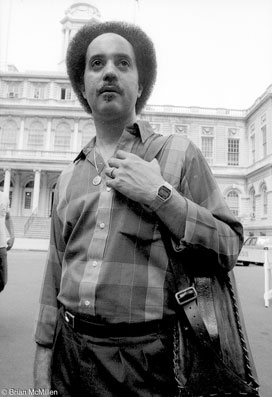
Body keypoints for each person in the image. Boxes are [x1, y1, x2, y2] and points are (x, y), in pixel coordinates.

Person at [33, 21, 244, 396]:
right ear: (83, 87)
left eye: (123, 63)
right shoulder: (67, 178)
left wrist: (161, 195)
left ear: (141, 86)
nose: (109, 71)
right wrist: (42, 355)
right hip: (69, 353)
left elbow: (229, 246)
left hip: (147, 362)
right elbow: (54, 273)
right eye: (96, 64)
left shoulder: (178, 154)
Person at [0, 190, 15, 293]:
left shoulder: (3, 197)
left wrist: (12, 235)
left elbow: (7, 217)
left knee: (2, 281)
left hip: (1, 247)